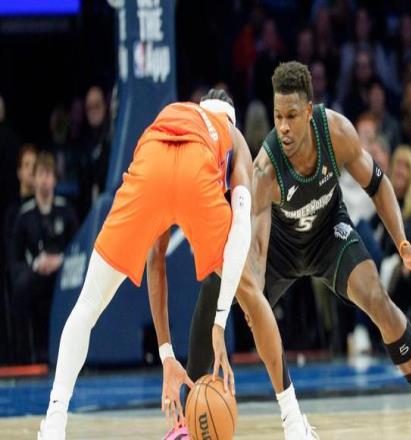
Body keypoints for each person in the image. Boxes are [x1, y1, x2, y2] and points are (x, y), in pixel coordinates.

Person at [186, 61, 411, 440]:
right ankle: (188, 420)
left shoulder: (337, 132)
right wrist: (253, 296)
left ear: (309, 111)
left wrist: (403, 244)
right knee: (214, 286)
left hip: (329, 234)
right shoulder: (265, 170)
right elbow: (258, 248)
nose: (283, 126)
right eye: (278, 116)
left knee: (379, 301)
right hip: (281, 248)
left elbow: (378, 184)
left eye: (291, 116)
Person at [38, 90, 253, 440]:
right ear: (231, 117)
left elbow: (157, 261)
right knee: (245, 284)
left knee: (87, 305)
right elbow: (242, 226)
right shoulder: (233, 135)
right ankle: (290, 413)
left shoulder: (176, 113)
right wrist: (220, 322)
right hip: (197, 169)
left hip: (151, 164)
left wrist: (166, 354)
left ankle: (55, 421)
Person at [10, 152, 78, 363]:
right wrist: (36, 264)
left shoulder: (66, 210)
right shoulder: (24, 215)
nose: (45, 180)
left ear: (55, 179)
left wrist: (61, 261)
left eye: (49, 174)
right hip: (36, 273)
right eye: (41, 174)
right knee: (21, 288)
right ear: (34, 178)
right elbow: (15, 258)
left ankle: (72, 354)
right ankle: (26, 356)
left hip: (62, 274)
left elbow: (78, 247)